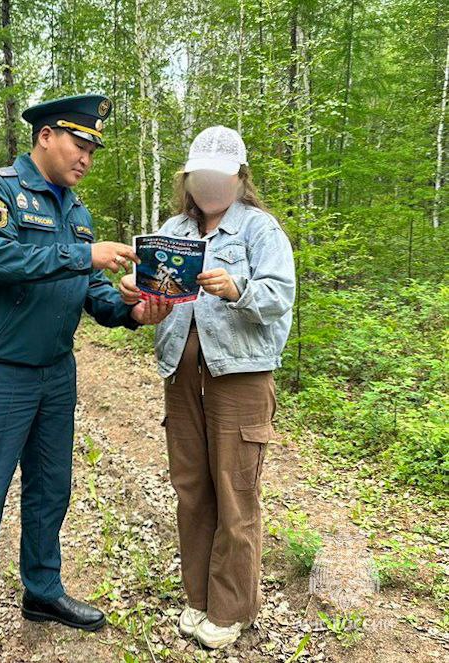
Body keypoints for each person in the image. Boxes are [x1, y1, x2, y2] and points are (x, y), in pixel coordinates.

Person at [0, 94, 165, 663]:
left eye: (94, 147)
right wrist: (83, 257)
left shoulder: (76, 212)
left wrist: (132, 310)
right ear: (45, 136)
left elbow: (89, 292)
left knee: (50, 490)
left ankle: (42, 591)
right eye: (79, 143)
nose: (88, 156)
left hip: (54, 373)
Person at [119, 125, 295, 649]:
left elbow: (279, 295)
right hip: (181, 372)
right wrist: (140, 298)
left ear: (239, 178)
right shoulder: (174, 227)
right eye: (199, 177)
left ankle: (231, 607)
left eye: (219, 176)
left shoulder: (260, 231)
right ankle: (198, 598)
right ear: (188, 179)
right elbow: (157, 299)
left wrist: (239, 288)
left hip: (239, 375)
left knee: (236, 491)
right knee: (192, 489)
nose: (208, 185)